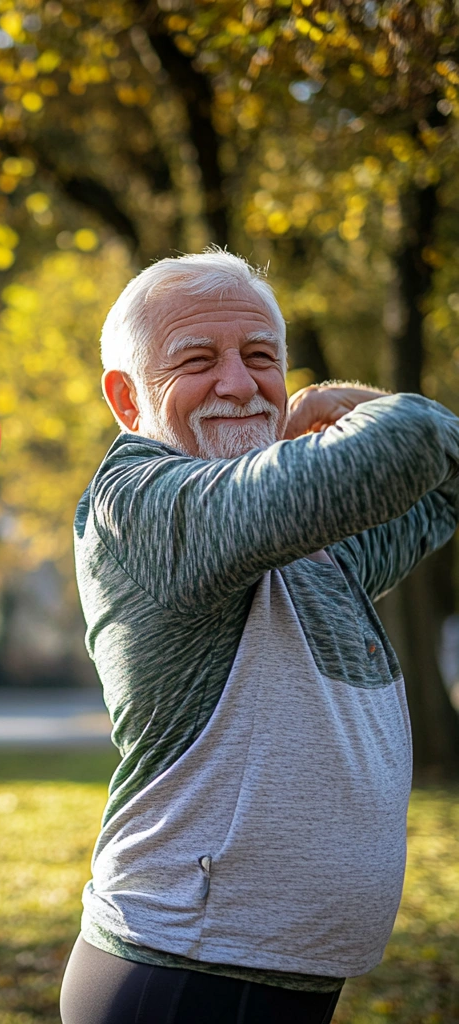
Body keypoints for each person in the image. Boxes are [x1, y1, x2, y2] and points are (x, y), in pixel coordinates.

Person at [59, 249, 459, 1024]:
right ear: (127, 398)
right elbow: (411, 439)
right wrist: (366, 409)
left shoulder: (311, 543)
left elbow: (446, 481)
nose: (239, 385)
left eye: (261, 358)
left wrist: (349, 411)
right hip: (180, 977)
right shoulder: (136, 501)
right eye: (197, 360)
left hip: (275, 982)